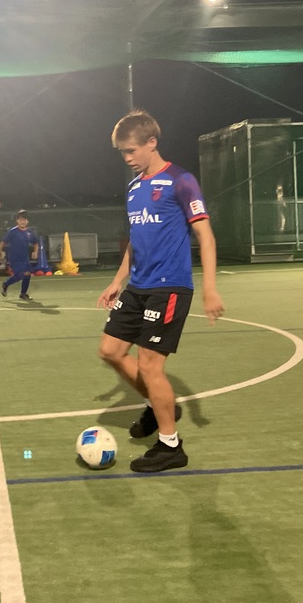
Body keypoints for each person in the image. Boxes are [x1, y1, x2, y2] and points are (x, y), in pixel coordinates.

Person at [96, 109, 224, 473]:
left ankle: (171, 446)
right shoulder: (134, 188)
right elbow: (136, 241)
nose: (127, 158)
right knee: (110, 351)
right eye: (122, 152)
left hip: (169, 288)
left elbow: (205, 236)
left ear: (152, 142)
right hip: (138, 287)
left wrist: (210, 289)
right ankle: (159, 405)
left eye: (131, 150)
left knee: (150, 365)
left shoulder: (181, 181)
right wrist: (117, 281)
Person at [0, 209, 39, 300]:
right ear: (17, 221)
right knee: (21, 274)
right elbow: (3, 242)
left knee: (27, 274)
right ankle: (6, 284)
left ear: (27, 221)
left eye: (24, 220)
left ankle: (22, 293)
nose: (23, 222)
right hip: (14, 258)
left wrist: (35, 252)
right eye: (21, 220)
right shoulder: (13, 231)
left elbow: (35, 243)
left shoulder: (30, 232)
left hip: (25, 258)